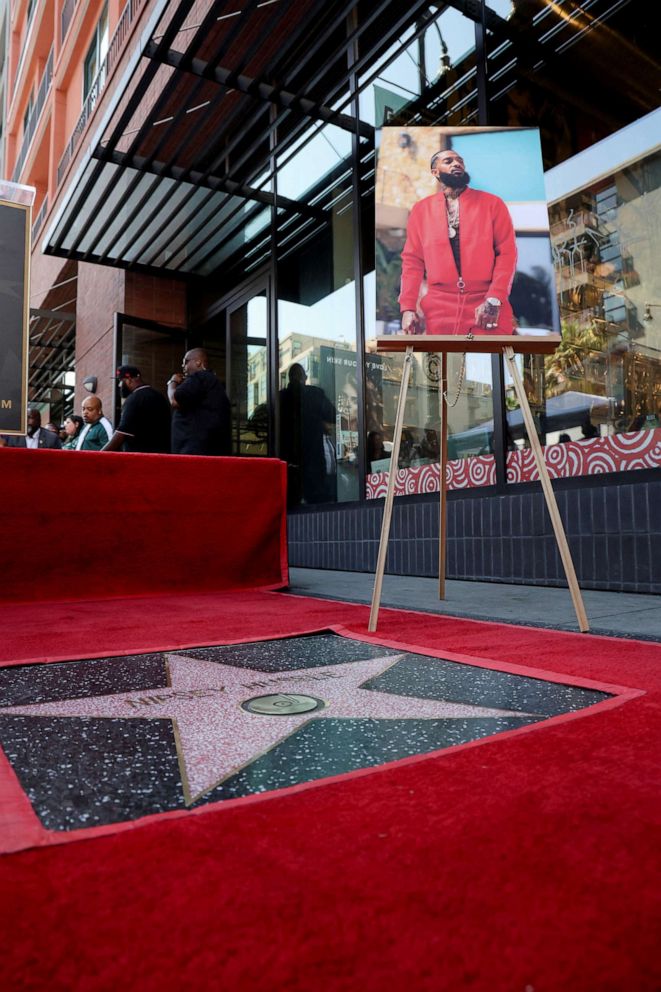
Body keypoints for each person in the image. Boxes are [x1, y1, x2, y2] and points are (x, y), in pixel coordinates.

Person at [399, 148, 518, 336]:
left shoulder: (492, 204)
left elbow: (507, 254)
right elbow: (412, 262)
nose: (456, 163)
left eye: (459, 160)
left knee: (497, 361)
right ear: (435, 172)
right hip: (438, 308)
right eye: (448, 161)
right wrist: (408, 308)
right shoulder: (421, 210)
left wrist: (494, 299)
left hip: (486, 303)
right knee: (441, 364)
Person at [279, 363, 337, 506]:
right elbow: (332, 415)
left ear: (289, 379)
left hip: (287, 460)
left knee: (290, 505)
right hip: (313, 461)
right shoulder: (315, 394)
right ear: (304, 378)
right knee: (316, 505)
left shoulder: (280, 398)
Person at [167, 348, 231, 456]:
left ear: (198, 362)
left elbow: (174, 400)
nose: (183, 366)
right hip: (208, 450)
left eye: (186, 362)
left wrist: (172, 382)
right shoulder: (213, 383)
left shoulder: (200, 376)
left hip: (193, 452)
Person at [102, 365, 171, 453]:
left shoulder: (134, 399)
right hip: (163, 454)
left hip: (141, 457)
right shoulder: (158, 395)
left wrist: (98, 456)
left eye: (120, 381)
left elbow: (122, 433)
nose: (119, 385)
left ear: (129, 379)